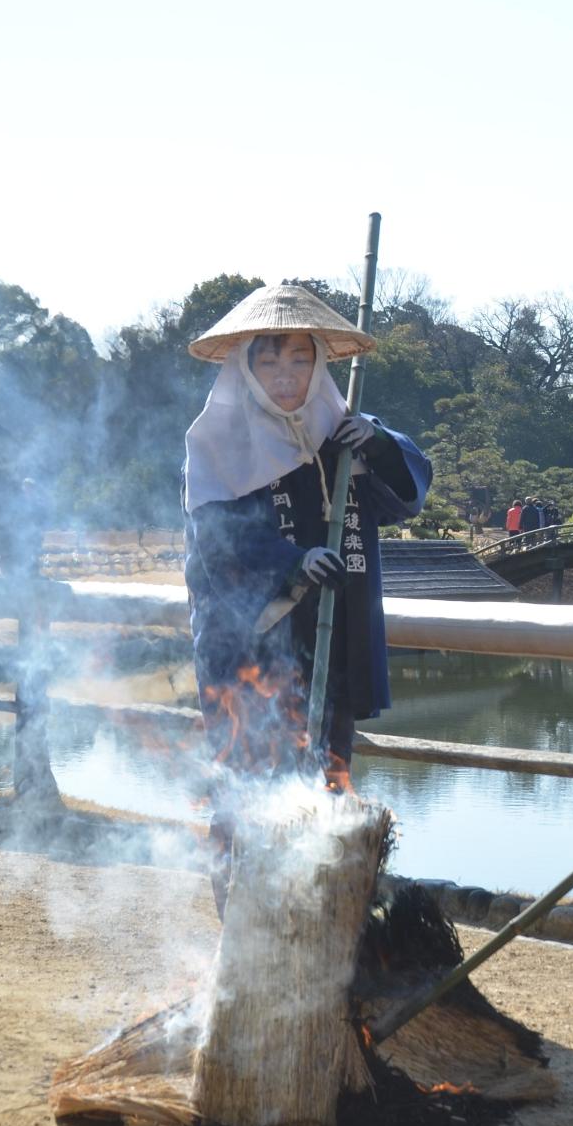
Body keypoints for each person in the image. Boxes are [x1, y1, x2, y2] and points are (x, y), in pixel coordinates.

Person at [181, 285, 431, 897]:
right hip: (255, 649)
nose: (286, 376)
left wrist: (376, 442)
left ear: (320, 361)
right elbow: (213, 543)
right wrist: (292, 563)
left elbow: (408, 492)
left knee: (327, 772)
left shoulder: (343, 431)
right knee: (249, 781)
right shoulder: (217, 441)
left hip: (333, 639)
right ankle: (242, 912)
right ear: (245, 364)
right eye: (269, 360)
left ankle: (321, 911)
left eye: (299, 359)